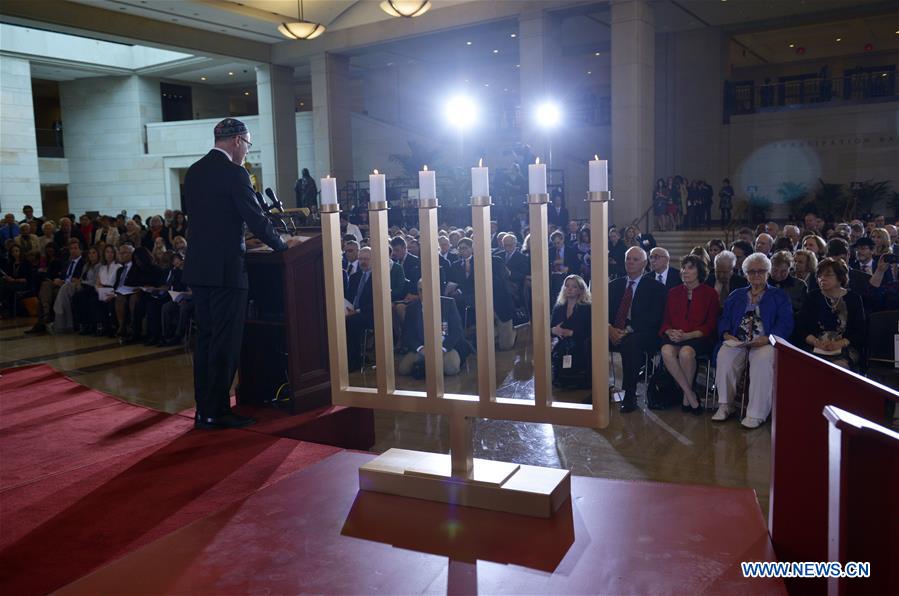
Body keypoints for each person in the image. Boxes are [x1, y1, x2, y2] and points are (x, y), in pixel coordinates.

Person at [183, 118, 299, 430]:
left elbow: (201, 219)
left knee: (205, 342)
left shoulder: (194, 172)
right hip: (226, 272)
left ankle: (203, 410)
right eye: (247, 144)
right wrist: (283, 246)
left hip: (198, 268)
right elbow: (256, 218)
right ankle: (218, 412)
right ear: (236, 141)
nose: (246, 151)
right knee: (225, 344)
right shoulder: (235, 173)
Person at [712, 252, 794, 429]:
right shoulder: (736, 294)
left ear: (768, 272)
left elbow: (786, 322)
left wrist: (768, 338)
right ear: (745, 274)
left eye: (761, 271)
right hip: (738, 340)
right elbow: (724, 318)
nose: (756, 275)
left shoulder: (779, 296)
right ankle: (725, 405)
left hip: (765, 342)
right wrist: (726, 333)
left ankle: (756, 413)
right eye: (752, 271)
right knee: (725, 355)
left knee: (763, 360)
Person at [608, 247, 667, 412]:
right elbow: (603, 311)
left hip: (642, 333)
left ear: (644, 263)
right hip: (614, 330)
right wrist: (609, 328)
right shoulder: (614, 285)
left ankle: (630, 394)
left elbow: (654, 317)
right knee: (591, 341)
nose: (630, 262)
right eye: (628, 259)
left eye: (635, 259)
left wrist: (627, 330)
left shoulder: (656, 287)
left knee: (630, 343)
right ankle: (598, 390)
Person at [659, 255, 719, 414]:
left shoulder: (710, 294)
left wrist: (688, 336)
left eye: (690, 267)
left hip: (699, 337)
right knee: (666, 350)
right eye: (683, 267)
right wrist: (669, 331)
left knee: (686, 353)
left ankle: (687, 398)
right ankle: (690, 394)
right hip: (676, 337)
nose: (685, 271)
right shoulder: (673, 292)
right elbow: (665, 320)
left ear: (699, 271)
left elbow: (710, 325)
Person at [796, 258, 866, 370]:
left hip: (844, 347)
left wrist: (839, 344)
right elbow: (801, 327)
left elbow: (859, 331)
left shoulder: (853, 299)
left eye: (828, 275)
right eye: (819, 275)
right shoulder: (812, 297)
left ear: (840, 278)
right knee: (808, 366)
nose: (822, 278)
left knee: (837, 368)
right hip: (815, 346)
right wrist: (816, 342)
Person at [398, 281, 471, 377]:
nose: (425, 293)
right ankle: (428, 366)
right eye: (421, 290)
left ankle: (433, 366)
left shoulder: (448, 303)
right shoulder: (412, 309)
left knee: (451, 368)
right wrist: (420, 349)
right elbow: (407, 334)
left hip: (446, 347)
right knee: (403, 369)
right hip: (423, 348)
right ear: (418, 292)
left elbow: (457, 331)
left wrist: (443, 349)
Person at [26, 237, 85, 334]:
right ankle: (45, 315)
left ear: (80, 250)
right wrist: (58, 280)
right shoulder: (67, 263)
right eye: (71, 249)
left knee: (52, 292)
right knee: (45, 284)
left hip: (71, 286)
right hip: (62, 283)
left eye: (75, 248)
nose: (73, 251)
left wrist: (65, 282)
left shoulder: (83, 262)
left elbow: (78, 279)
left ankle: (45, 319)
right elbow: (63, 275)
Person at [551, 275, 592, 388]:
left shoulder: (587, 308)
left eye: (574, 287)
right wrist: (554, 330)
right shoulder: (559, 307)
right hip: (562, 346)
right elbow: (550, 328)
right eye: (567, 286)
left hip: (582, 346)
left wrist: (572, 333)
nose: (569, 289)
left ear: (580, 290)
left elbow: (591, 332)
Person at [768, 250, 807, 315]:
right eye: (775, 270)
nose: (778, 274)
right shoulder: (761, 283)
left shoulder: (800, 285)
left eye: (783, 271)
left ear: (789, 269)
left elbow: (804, 310)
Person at [1, 244, 32, 317]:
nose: (15, 253)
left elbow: (28, 278)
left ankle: (4, 307)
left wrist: (15, 280)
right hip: (12, 284)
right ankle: (5, 308)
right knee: (4, 284)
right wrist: (7, 278)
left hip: (23, 284)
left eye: (16, 251)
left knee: (6, 288)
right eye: (13, 251)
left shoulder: (26, 263)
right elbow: (8, 275)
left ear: (20, 252)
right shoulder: (10, 264)